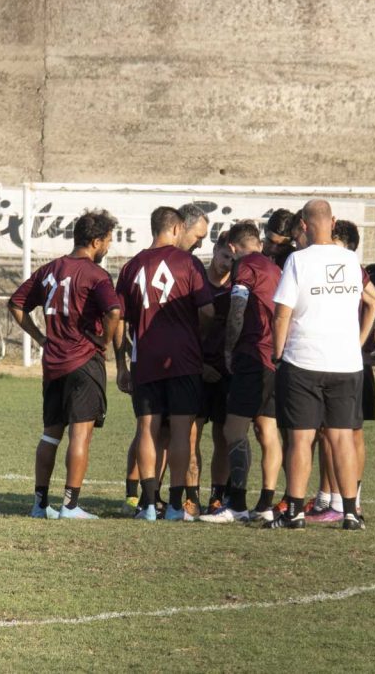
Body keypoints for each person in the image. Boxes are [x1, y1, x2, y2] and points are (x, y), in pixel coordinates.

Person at [266, 199, 375, 531]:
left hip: (304, 360)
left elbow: (282, 313)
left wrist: (276, 353)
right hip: (345, 363)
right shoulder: (350, 259)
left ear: (302, 224)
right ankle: (350, 512)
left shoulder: (298, 260)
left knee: (300, 439)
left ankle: (296, 512)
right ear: (333, 222)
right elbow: (373, 301)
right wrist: (357, 341)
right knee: (342, 437)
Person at [8, 209, 121, 520]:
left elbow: (16, 304)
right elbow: (113, 312)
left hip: (54, 364)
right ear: (96, 241)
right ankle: (70, 506)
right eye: (108, 241)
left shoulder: (49, 269)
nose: (109, 247)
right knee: (80, 436)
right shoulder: (97, 275)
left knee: (50, 435)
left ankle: (39, 505)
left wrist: (41, 339)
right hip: (84, 362)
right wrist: (104, 342)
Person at [115, 206, 214, 521]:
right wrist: (195, 334)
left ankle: (146, 504)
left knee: (147, 428)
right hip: (183, 359)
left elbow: (118, 319)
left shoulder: (131, 267)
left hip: (146, 358)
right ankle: (174, 505)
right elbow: (209, 312)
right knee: (182, 431)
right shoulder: (189, 263)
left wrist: (120, 362)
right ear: (176, 228)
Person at [305, 220, 375, 523]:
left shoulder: (364, 278)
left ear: (344, 245)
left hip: (353, 365)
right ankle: (328, 499)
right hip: (326, 361)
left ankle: (350, 502)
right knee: (325, 432)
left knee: (351, 433)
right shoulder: (322, 273)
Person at [199, 221, 283, 524]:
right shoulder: (275, 270)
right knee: (267, 432)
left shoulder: (245, 266)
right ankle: (266, 503)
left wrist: (228, 349)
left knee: (233, 431)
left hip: (251, 355)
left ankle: (236, 504)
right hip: (275, 358)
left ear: (233, 248)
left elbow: (237, 307)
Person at [196, 232, 235, 515]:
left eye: (234, 260)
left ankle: (217, 497)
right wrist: (199, 364)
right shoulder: (196, 283)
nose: (228, 263)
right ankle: (189, 496)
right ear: (215, 249)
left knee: (223, 437)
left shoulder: (239, 288)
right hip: (197, 369)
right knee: (190, 435)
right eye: (225, 256)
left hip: (226, 373)